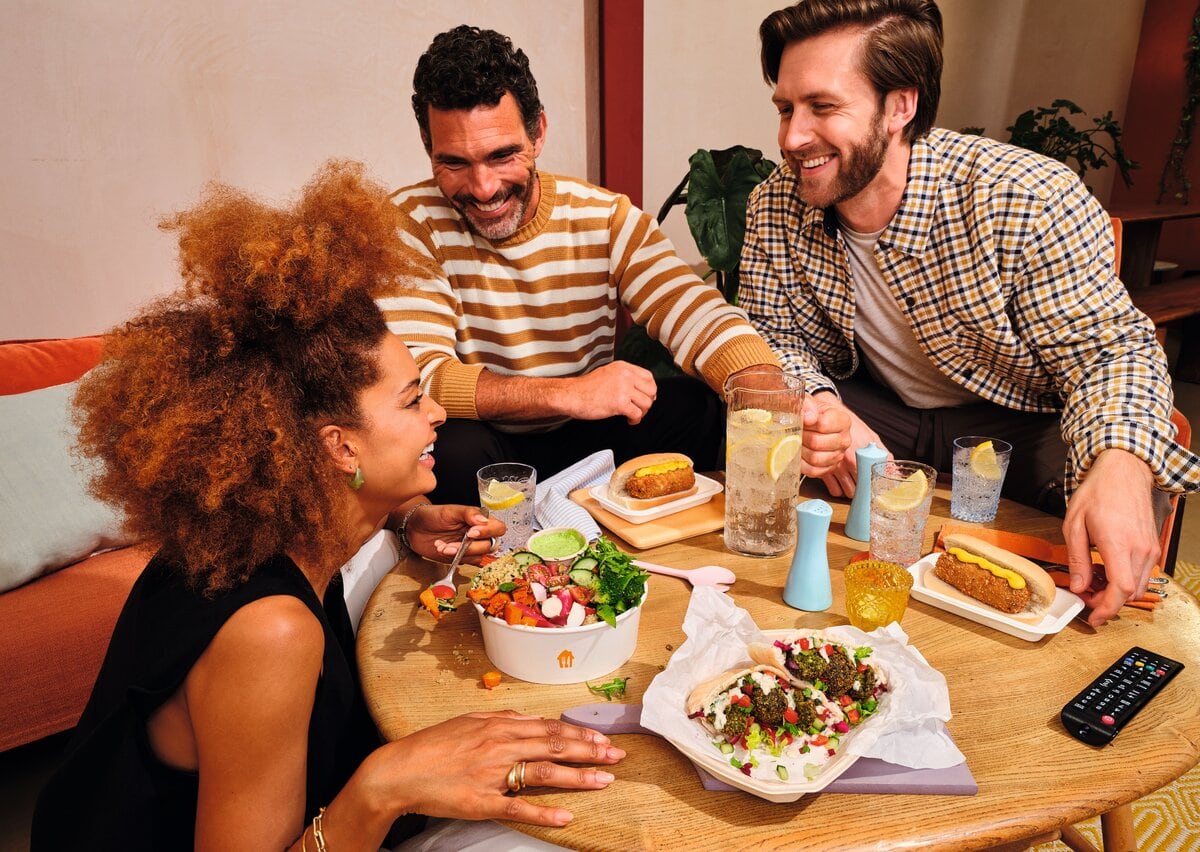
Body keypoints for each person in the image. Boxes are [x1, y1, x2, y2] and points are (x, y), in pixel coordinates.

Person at [31, 162, 625, 850]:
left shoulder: (269, 535)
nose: (436, 413)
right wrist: (384, 785)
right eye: (411, 399)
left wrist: (400, 514)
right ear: (338, 449)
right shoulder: (270, 632)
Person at [740, 0, 1200, 625]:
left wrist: (1119, 462)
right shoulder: (775, 205)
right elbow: (771, 337)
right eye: (786, 108)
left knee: (1094, 556)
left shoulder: (1026, 198)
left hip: (1021, 421)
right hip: (881, 412)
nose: (792, 137)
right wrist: (820, 403)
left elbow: (1108, 351)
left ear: (901, 106)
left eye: (822, 107)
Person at [382, 25, 851, 505]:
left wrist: (771, 393)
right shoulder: (408, 223)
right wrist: (568, 392)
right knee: (448, 446)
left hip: (587, 439)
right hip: (488, 447)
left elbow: (693, 310)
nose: (483, 188)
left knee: (700, 407)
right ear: (427, 144)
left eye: (502, 156)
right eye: (455, 163)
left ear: (538, 131)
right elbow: (425, 375)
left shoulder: (604, 217)